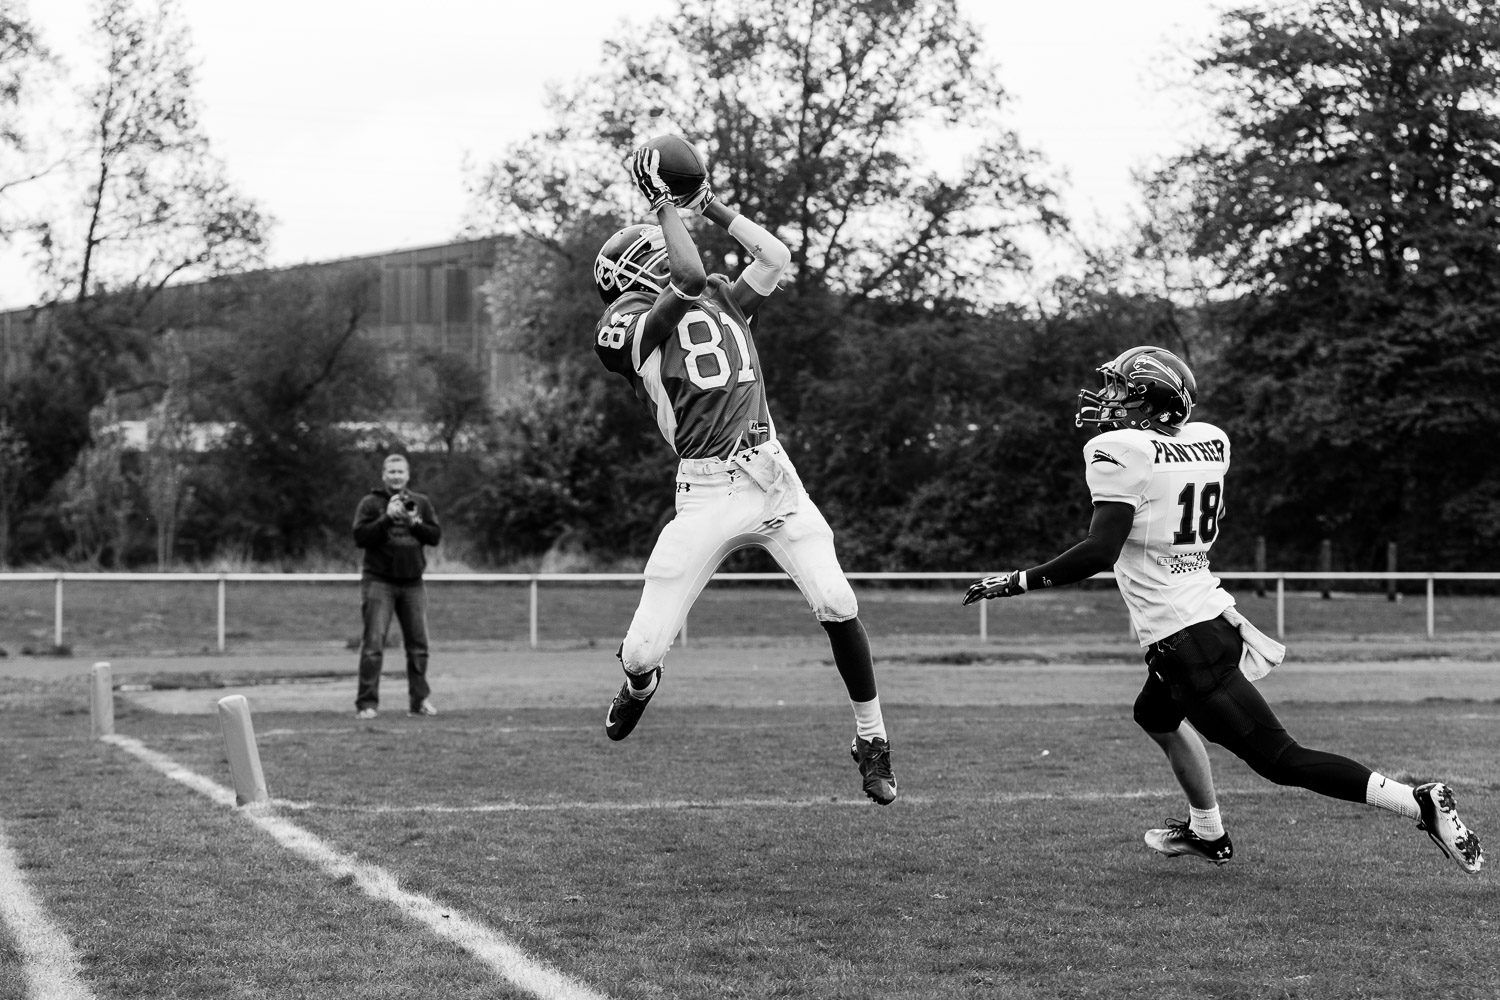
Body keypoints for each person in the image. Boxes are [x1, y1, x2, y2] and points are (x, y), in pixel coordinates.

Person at [962, 346, 1484, 873]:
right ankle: (1207, 832)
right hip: (1212, 617)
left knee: (1281, 760)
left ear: (1154, 402)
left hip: (1185, 639)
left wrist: (1016, 581)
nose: (1111, 400)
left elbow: (1100, 551)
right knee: (1155, 715)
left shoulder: (1120, 450)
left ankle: (1416, 801)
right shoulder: (1210, 440)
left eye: (1124, 391)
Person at [588, 142, 896, 805]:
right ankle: (642, 684)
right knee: (641, 652)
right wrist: (667, 207)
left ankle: (871, 738)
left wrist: (711, 206)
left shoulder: (727, 299)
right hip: (706, 491)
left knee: (839, 602)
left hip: (773, 476)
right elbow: (689, 280)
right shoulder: (625, 327)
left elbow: (776, 258)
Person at [351, 453, 442, 720]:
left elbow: (435, 536)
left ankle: (419, 702)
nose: (396, 476)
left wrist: (414, 521)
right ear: (383, 475)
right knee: (373, 645)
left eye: (400, 472)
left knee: (418, 646)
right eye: (391, 472)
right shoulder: (370, 503)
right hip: (379, 582)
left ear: (408, 475)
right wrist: (387, 518)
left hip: (413, 583)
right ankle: (367, 704)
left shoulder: (421, 503)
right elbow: (360, 537)